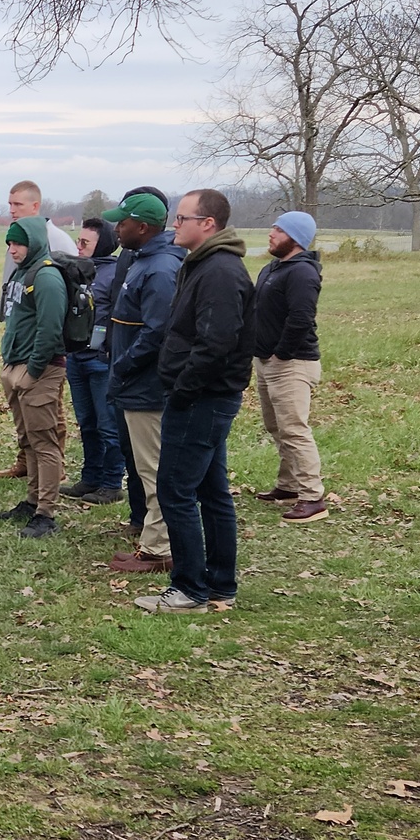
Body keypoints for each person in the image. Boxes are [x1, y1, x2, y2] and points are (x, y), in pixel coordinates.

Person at [135, 189, 255, 615]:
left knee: (175, 489)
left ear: (208, 224)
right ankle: (220, 584)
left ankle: (188, 590)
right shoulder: (203, 265)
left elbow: (217, 342)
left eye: (182, 218)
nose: (174, 226)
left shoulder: (220, 271)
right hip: (205, 396)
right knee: (211, 490)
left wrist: (184, 389)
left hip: (203, 398)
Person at [104, 193, 185, 573]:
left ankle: (160, 549)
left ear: (143, 227)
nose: (116, 228)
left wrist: (123, 365)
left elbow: (157, 333)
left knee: (153, 468)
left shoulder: (161, 269)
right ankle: (151, 538)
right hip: (134, 382)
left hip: (147, 385)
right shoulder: (142, 260)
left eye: (122, 222)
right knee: (144, 464)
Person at [0, 179, 76, 480]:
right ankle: (26, 463)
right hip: (18, 338)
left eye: (17, 205)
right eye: (10, 204)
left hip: (44, 350)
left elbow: (61, 301)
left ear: (35, 206)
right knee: (25, 416)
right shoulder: (17, 238)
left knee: (50, 409)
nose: (12, 210)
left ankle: (55, 468)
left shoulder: (56, 241)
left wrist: (39, 357)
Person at [0, 216, 67, 538]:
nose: (12, 249)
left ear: (34, 241)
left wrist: (33, 370)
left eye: (18, 243)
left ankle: (46, 513)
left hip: (39, 370)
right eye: (9, 243)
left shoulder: (47, 276)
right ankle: (32, 500)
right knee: (28, 441)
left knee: (44, 442)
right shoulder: (22, 273)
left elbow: (50, 329)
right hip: (16, 366)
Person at [252, 211, 327, 522]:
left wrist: (281, 354)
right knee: (276, 426)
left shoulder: (302, 273)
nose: (271, 233)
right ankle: (288, 486)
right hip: (267, 361)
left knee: (294, 429)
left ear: (295, 237)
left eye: (278, 229)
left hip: (293, 363)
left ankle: (313, 498)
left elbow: (301, 319)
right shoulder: (273, 268)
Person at [59, 218, 125, 504]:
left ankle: (111, 483)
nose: (78, 246)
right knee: (86, 423)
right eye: (78, 241)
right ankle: (90, 477)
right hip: (76, 358)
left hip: (100, 360)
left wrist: (105, 349)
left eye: (85, 242)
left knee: (107, 424)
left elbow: (115, 318)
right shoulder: (77, 270)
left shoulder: (114, 274)